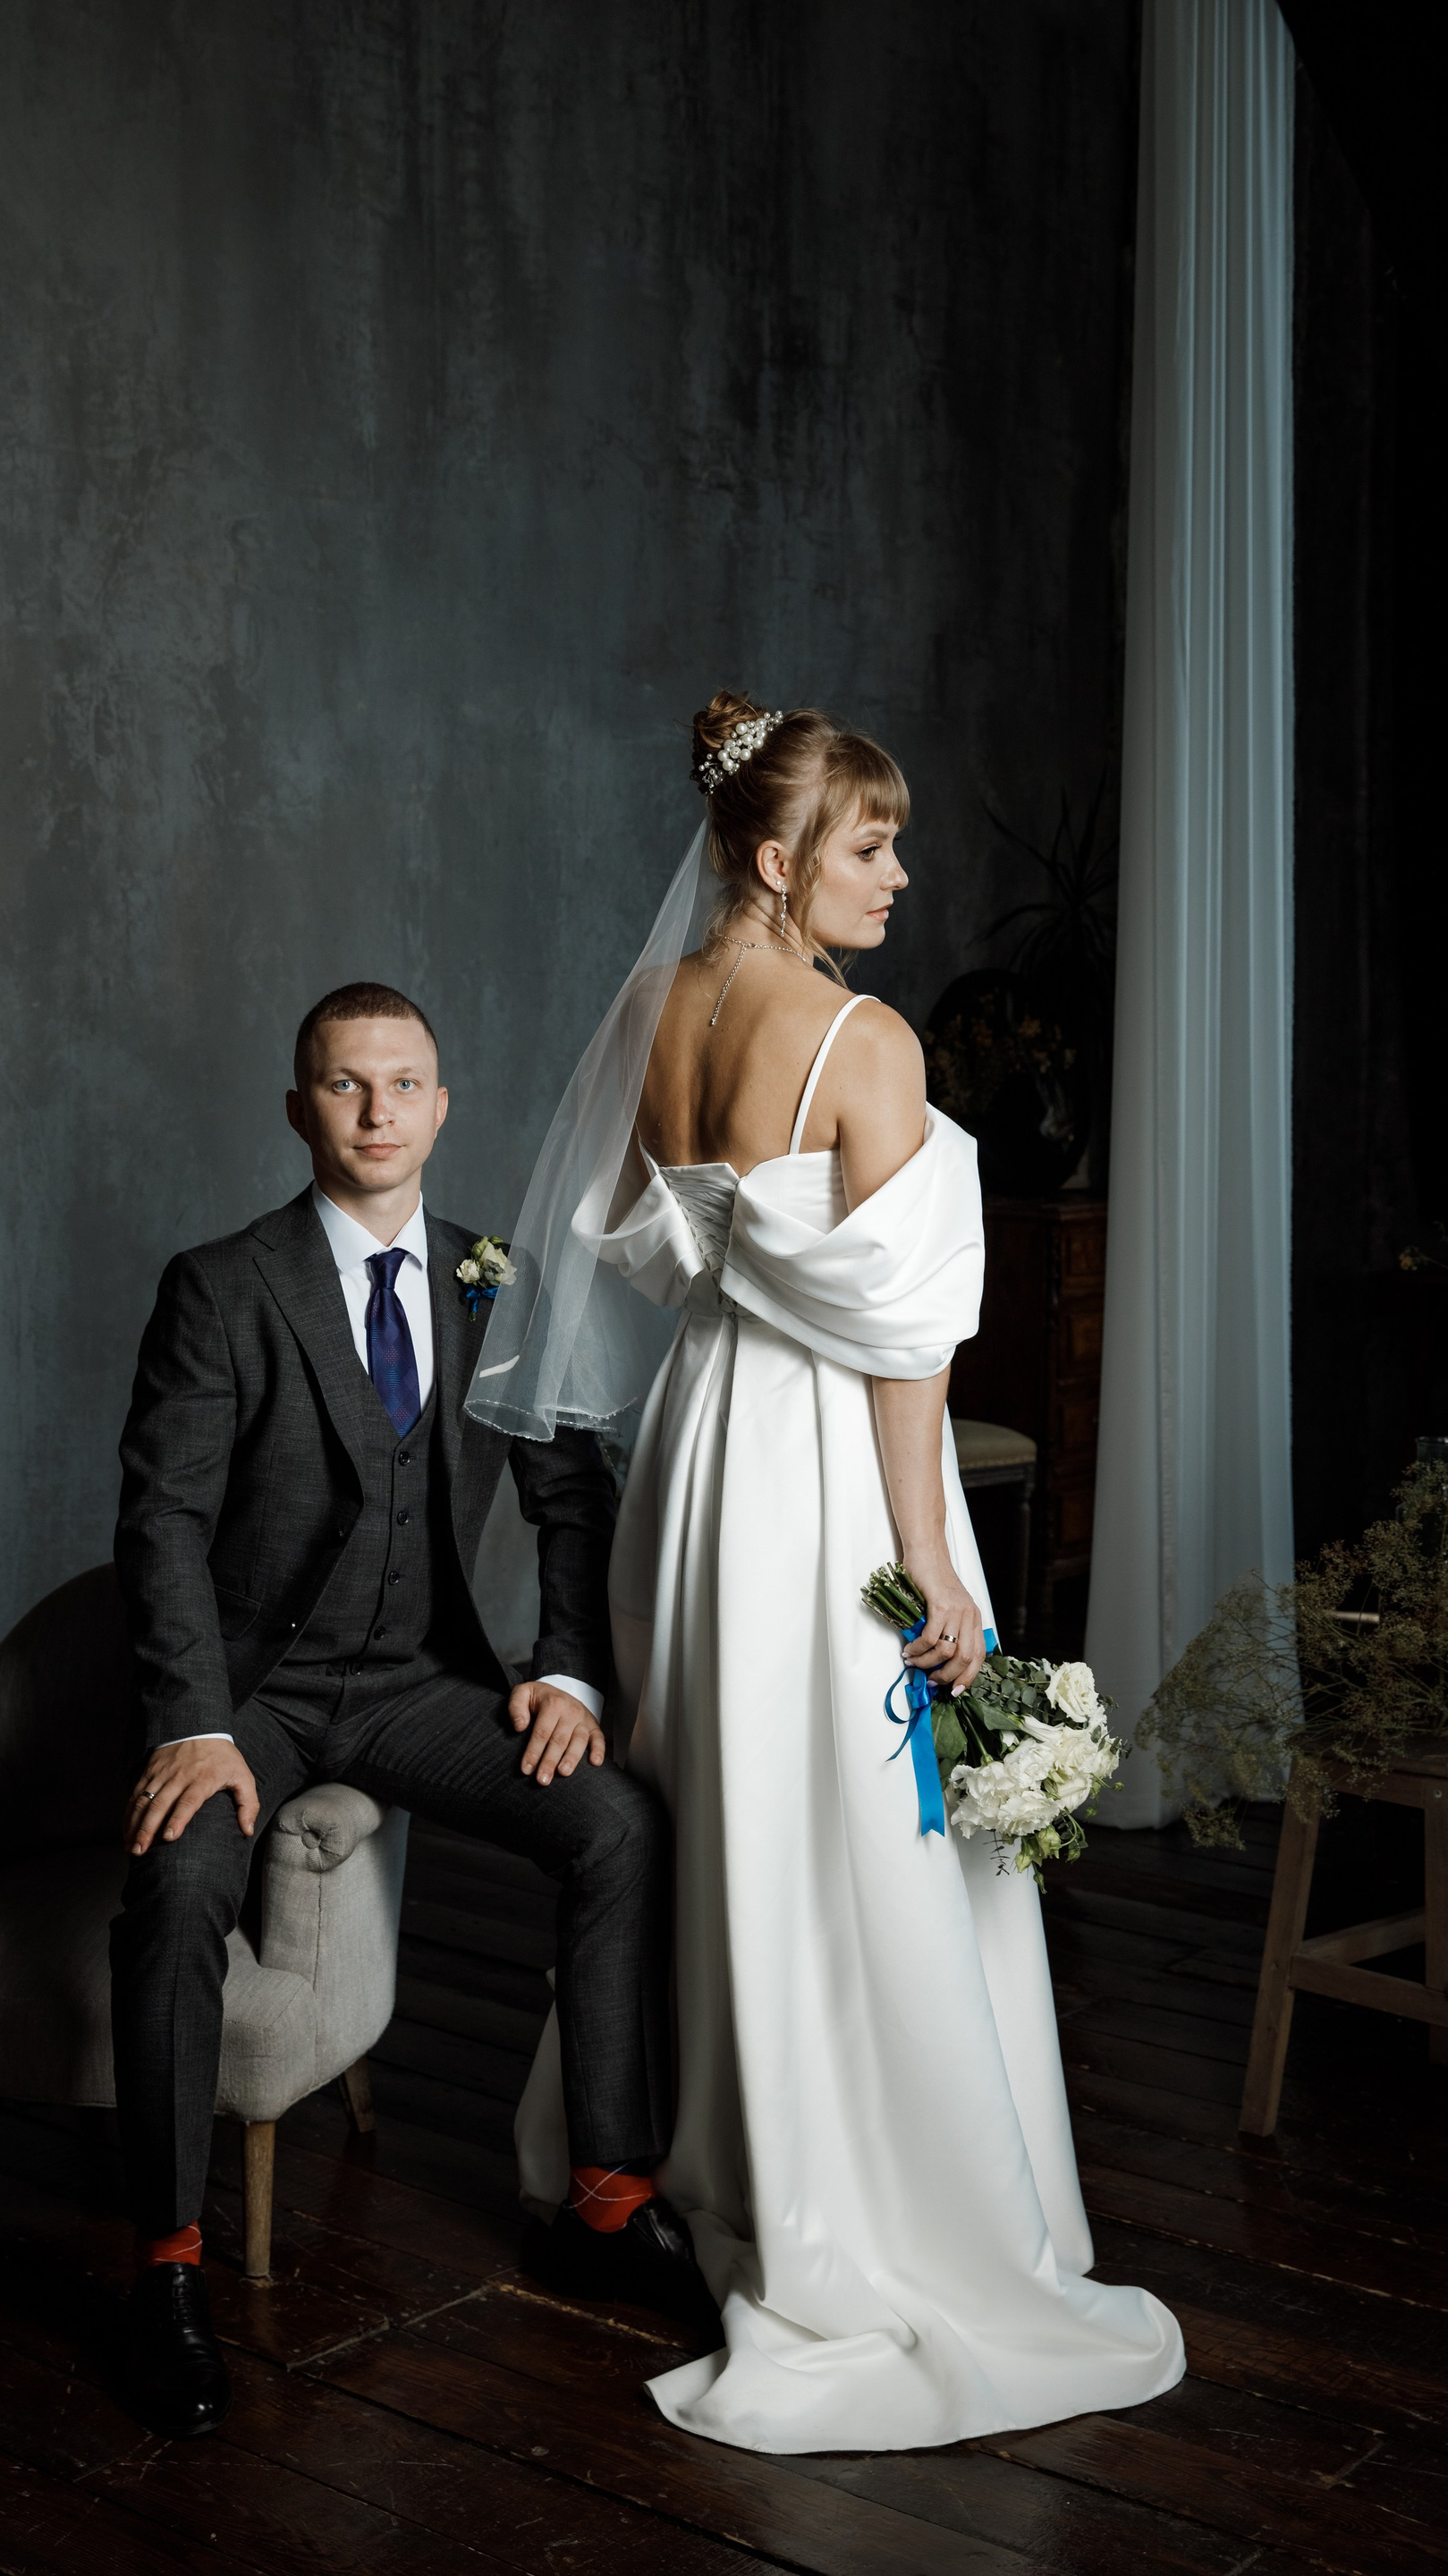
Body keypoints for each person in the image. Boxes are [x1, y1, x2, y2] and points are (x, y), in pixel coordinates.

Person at [482, 696, 1185, 2454]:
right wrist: (931, 1559)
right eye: (872, 845)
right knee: (867, 1816)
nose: (899, 876)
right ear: (778, 858)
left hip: (695, 1465)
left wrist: (748, 1281)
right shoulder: (866, 1044)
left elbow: (634, 1251)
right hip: (827, 1480)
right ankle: (867, 2191)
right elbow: (904, 1341)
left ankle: (690, 2154)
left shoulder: (651, 1010)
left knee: (720, 1799)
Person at [110, 981, 707, 2439]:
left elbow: (573, 1496)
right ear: (297, 1107)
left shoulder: (495, 1277)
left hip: (418, 1684)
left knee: (616, 1826)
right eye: (344, 1084)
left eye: (403, 1085)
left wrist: (567, 1670)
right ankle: (164, 2270)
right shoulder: (221, 1285)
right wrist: (193, 1720)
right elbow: (162, 1523)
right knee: (177, 1881)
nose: (376, 1112)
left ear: (442, 1107)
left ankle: (605, 2199)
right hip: (254, 1697)